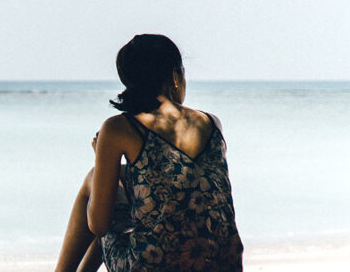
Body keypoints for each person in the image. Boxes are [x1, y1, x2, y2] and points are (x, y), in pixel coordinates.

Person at [55, 34, 243, 272]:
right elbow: (172, 193)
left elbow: (98, 225)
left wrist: (101, 162)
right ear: (175, 76)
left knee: (95, 180)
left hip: (153, 266)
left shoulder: (118, 128)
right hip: (223, 265)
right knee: (120, 186)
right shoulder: (212, 123)